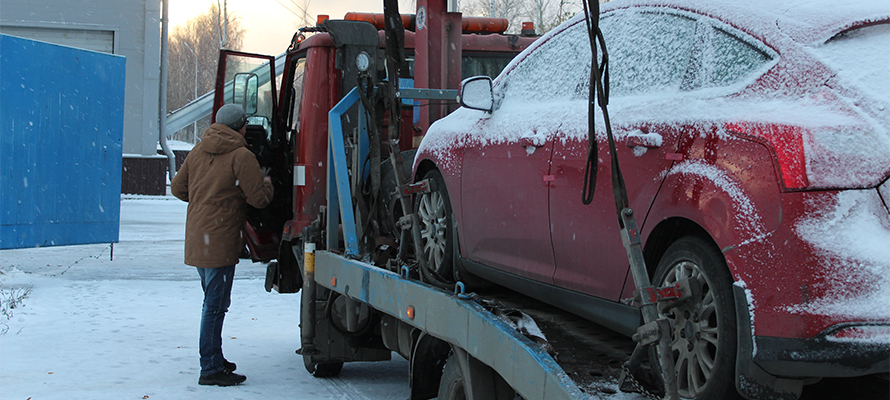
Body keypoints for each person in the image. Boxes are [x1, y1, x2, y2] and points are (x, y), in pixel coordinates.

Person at [171, 104, 274, 386]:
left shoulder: (199, 150)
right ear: (241, 127)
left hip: (198, 238)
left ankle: (215, 358)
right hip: (221, 239)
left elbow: (178, 188)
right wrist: (268, 183)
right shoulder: (241, 155)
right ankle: (210, 369)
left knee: (213, 303)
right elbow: (258, 199)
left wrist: (205, 197)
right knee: (214, 307)